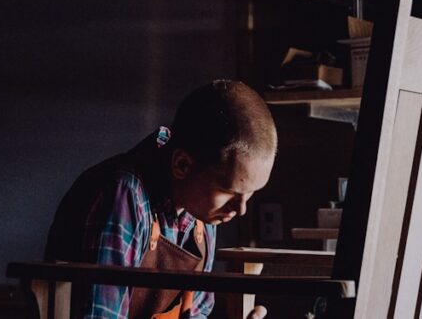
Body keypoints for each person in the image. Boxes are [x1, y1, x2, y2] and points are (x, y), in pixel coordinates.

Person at [45, 80, 276, 319]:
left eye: (251, 193)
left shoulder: (201, 211)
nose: (241, 209)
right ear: (182, 165)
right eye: (231, 192)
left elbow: (196, 314)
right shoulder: (122, 195)